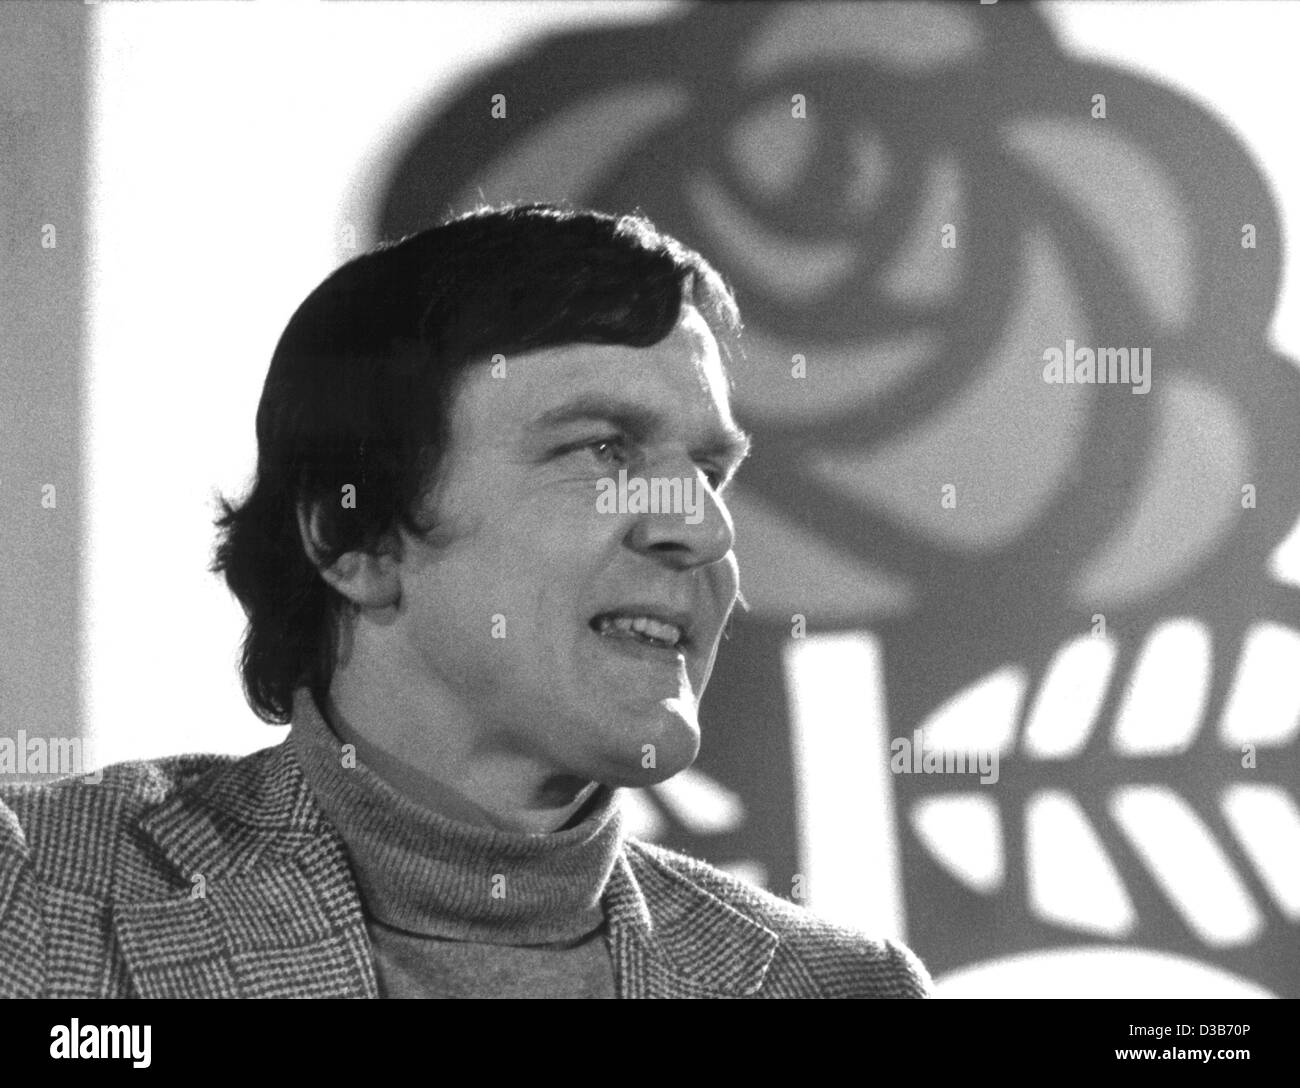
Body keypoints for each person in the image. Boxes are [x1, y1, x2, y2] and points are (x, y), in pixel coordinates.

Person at [0, 204, 931, 998]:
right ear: (353, 538)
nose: (701, 529)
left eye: (711, 472)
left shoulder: (837, 987)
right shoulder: (34, 898)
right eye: (603, 449)